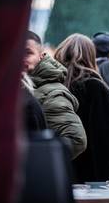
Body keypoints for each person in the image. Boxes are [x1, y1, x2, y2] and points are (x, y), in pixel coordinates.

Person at [54, 33, 109, 183]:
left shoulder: (53, 86)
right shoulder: (96, 88)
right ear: (90, 56)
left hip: (59, 172)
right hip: (93, 179)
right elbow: (106, 142)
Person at [24, 31, 86, 159]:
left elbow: (76, 140)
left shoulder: (52, 93)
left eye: (27, 53)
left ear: (41, 56)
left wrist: (37, 161)